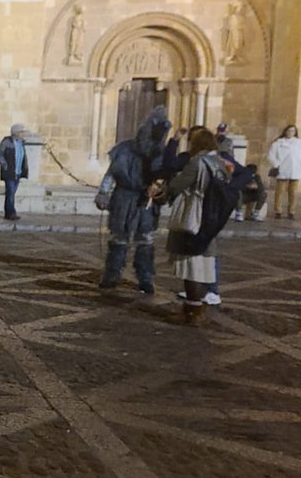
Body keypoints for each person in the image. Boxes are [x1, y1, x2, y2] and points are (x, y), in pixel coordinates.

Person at [165, 128, 242, 326]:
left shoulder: (198, 163)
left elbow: (176, 186)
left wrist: (164, 190)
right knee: (203, 263)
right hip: (212, 217)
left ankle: (193, 310)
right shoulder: (221, 163)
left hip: (195, 216)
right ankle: (195, 307)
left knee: (191, 265)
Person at [96, 108, 172, 294]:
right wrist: (103, 193)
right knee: (119, 237)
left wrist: (160, 191)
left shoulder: (160, 154)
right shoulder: (124, 149)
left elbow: (164, 178)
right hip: (124, 198)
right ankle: (112, 274)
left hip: (146, 201)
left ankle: (145, 277)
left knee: (145, 239)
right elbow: (111, 173)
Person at [0, 124, 29, 221]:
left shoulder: (22, 143)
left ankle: (8, 212)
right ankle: (11, 213)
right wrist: (5, 165)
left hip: (18, 172)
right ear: (16, 133)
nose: (23, 134)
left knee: (12, 193)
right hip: (9, 172)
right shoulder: (7, 142)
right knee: (10, 193)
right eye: (22, 132)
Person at [268, 124, 301, 219]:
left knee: (293, 192)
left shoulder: (299, 143)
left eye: (293, 131)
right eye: (289, 131)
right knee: (280, 191)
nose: (291, 133)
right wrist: (276, 164)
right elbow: (271, 155)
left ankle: (291, 211)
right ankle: (278, 211)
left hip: (295, 169)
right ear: (285, 131)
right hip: (282, 169)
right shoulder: (278, 143)